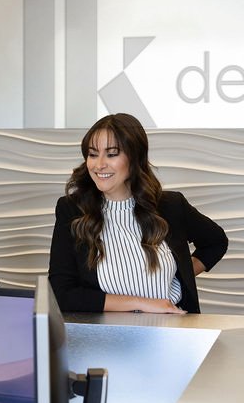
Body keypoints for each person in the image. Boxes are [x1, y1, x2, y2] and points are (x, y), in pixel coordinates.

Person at [49, 113, 227, 313]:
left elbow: (216, 242)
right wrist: (140, 302)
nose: (99, 164)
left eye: (112, 153)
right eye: (92, 154)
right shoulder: (71, 210)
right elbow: (61, 294)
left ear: (134, 157)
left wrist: (180, 275)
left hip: (172, 334)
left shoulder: (170, 206)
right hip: (104, 337)